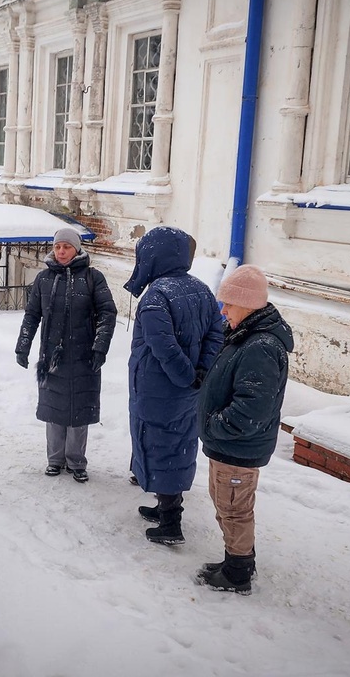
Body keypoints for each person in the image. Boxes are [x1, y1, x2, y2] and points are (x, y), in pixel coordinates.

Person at [195, 264, 294, 595]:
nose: (223, 311)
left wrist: (214, 425)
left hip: (238, 446)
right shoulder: (244, 336)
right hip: (228, 446)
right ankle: (234, 560)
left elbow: (252, 408)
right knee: (226, 504)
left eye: (229, 304)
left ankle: (237, 574)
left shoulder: (260, 347)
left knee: (235, 510)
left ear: (250, 304)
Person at [124, 226, 224, 545]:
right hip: (188, 390)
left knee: (159, 444)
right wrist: (200, 372)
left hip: (159, 389)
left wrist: (184, 374)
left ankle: (170, 522)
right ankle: (167, 505)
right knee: (178, 444)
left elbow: (163, 345)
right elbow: (216, 333)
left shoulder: (157, 295)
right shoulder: (200, 289)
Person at [15, 227, 117, 483]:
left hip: (84, 355)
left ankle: (76, 461)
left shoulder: (94, 278)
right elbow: (32, 315)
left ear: (77, 249)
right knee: (54, 409)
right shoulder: (43, 279)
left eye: (67, 247)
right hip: (52, 356)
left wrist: (100, 347)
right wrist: (23, 345)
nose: (61, 251)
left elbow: (107, 313)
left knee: (78, 410)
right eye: (58, 246)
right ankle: (55, 459)